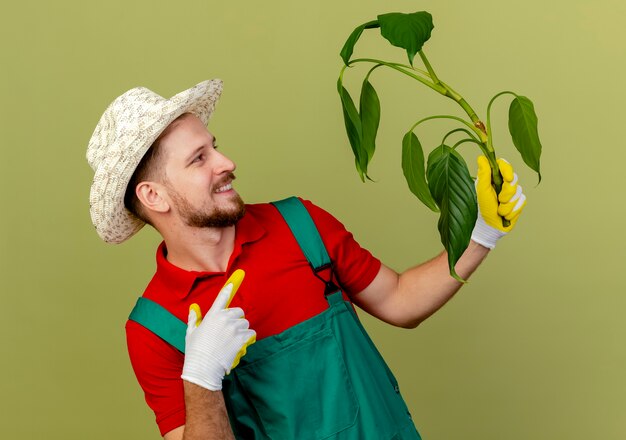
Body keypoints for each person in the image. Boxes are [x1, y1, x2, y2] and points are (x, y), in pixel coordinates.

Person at [86, 79, 526, 440]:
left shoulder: (300, 226)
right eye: (200, 159)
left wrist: (481, 235)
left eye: (214, 147)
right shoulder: (153, 328)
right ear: (154, 196)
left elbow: (400, 301)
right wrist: (201, 377)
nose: (226, 162)